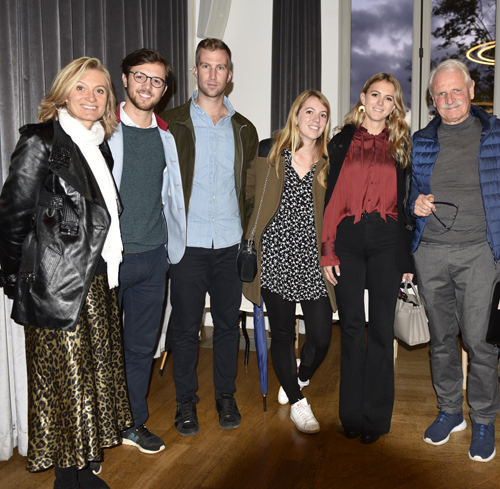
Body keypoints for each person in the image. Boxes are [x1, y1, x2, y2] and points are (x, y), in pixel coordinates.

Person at [0, 57, 132, 489]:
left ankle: (78, 473)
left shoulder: (97, 144)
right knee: (65, 384)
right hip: (55, 284)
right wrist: (13, 277)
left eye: (99, 91)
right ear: (62, 94)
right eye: (81, 88)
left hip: (96, 280)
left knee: (88, 381)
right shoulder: (41, 141)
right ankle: (67, 479)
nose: (91, 98)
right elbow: (13, 213)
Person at [160, 38, 258, 436]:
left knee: (226, 325)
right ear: (195, 71)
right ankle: (185, 402)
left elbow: (251, 189)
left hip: (230, 243)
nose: (212, 74)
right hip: (187, 243)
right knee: (184, 327)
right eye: (205, 66)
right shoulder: (170, 123)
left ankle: (225, 396)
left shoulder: (244, 129)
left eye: (220, 67)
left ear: (229, 75)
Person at [410, 59, 500, 463]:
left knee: (481, 343)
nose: (449, 100)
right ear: (432, 100)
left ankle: (483, 419)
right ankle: (450, 412)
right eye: (440, 94)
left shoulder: (495, 135)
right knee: (442, 340)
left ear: (471, 90)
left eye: (455, 91)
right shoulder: (421, 142)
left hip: (480, 253)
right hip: (431, 253)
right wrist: (416, 204)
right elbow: (406, 194)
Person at [321, 73, 414, 444]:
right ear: (363, 97)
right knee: (352, 328)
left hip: (387, 239)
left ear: (395, 106)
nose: (380, 102)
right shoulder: (341, 141)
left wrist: (407, 260)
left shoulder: (402, 145)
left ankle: (375, 418)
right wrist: (327, 250)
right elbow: (330, 199)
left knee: (380, 328)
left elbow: (409, 205)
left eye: (388, 98)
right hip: (347, 238)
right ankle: (350, 415)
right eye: (375, 94)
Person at [242, 90, 337, 434]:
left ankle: (300, 375)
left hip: (314, 262)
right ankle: (298, 402)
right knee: (282, 334)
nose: (315, 119)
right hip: (275, 258)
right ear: (296, 116)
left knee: (322, 337)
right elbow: (249, 195)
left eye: (322, 114)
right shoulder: (270, 154)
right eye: (309, 111)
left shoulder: (329, 161)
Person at [108, 48, 186, 453]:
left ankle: (132, 422)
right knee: (100, 349)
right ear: (124, 78)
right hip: (108, 261)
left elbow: (170, 197)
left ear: (165, 89)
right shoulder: (102, 133)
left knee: (141, 348)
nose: (147, 85)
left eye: (156, 80)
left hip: (154, 257)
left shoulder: (165, 137)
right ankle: (95, 434)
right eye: (140, 76)